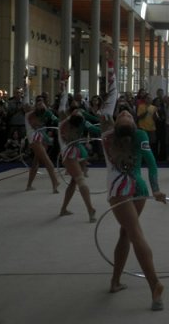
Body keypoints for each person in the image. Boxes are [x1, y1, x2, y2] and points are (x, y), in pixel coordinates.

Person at [99, 58, 166, 311]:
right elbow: (110, 103)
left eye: (128, 113)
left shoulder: (120, 135)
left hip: (123, 191)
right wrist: (112, 71)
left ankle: (155, 284)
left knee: (134, 233)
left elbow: (151, 161)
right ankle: (115, 280)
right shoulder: (123, 135)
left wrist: (157, 187)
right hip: (137, 190)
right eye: (122, 112)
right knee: (126, 232)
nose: (125, 113)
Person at [56, 71, 99, 223]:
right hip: (68, 154)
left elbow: (96, 130)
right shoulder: (65, 120)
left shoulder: (74, 120)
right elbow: (63, 101)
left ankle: (63, 209)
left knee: (74, 182)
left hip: (73, 152)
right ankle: (90, 209)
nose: (78, 109)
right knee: (80, 180)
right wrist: (64, 84)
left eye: (79, 110)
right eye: (76, 109)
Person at [23, 74, 61, 193]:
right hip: (34, 138)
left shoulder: (44, 112)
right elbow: (25, 99)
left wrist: (62, 125)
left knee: (36, 161)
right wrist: (25, 84)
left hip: (40, 136)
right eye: (38, 102)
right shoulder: (30, 112)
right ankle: (55, 182)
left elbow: (56, 120)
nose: (40, 103)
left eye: (41, 102)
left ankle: (29, 185)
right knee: (46, 159)